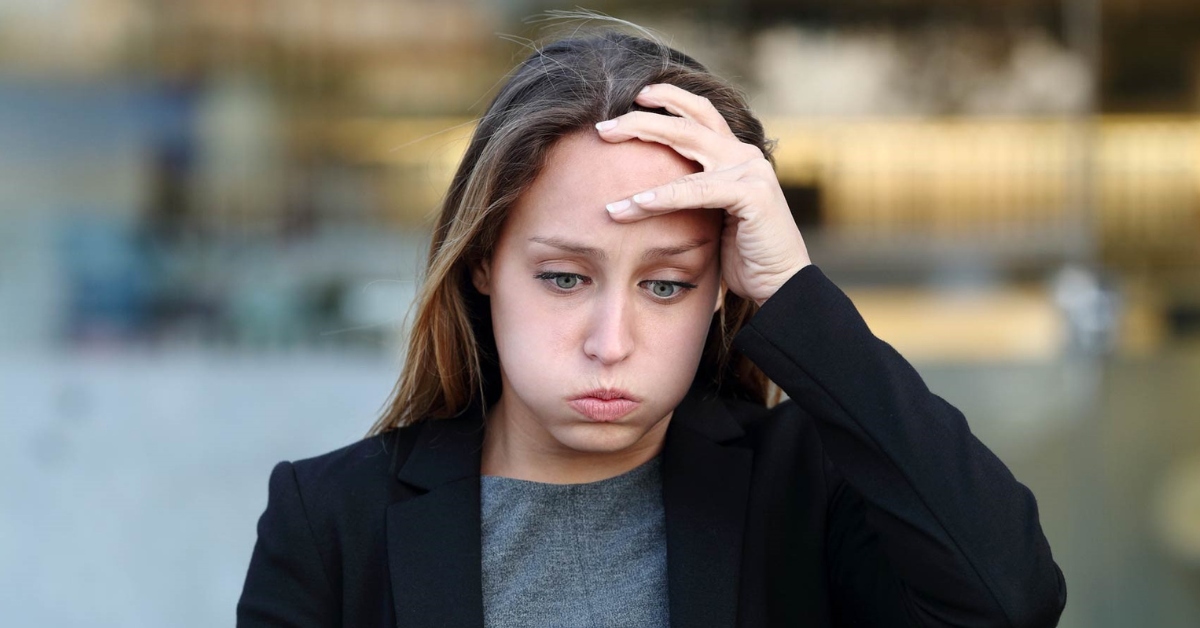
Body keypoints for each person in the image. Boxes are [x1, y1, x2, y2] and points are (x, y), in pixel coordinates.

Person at [237, 24, 1067, 628]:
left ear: (720, 288)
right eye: (564, 278)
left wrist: (792, 291)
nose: (611, 341)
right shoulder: (332, 521)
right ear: (483, 262)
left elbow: (1009, 599)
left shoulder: (805, 493)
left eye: (667, 285)